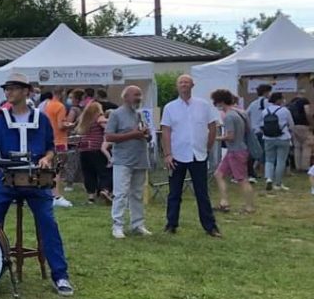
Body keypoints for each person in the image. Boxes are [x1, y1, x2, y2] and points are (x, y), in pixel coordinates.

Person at [0, 73, 75, 296]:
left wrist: (46, 158)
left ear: (26, 91)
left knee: (48, 223)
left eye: (13, 88)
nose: (8, 92)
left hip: (37, 182)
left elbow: (50, 147)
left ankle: (60, 276)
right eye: (6, 89)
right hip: (7, 181)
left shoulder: (41, 119)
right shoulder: (0, 120)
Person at [160, 74, 221, 236]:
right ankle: (171, 224)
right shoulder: (170, 107)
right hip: (177, 155)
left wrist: (208, 147)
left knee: (202, 193)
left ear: (192, 85)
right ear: (177, 86)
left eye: (186, 82)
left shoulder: (203, 105)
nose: (184, 85)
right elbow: (166, 131)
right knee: (174, 192)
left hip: (198, 154)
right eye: (181, 82)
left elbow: (212, 126)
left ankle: (210, 226)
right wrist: (167, 154)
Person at [104, 85, 152, 238]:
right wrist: (132, 134)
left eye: (140, 95)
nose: (139, 98)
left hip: (140, 158)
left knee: (137, 194)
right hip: (123, 160)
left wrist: (147, 134)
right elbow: (109, 136)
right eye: (136, 95)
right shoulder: (116, 114)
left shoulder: (140, 114)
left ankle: (138, 224)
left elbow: (147, 136)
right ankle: (117, 225)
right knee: (121, 193)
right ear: (125, 97)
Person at [211, 89, 255, 214]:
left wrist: (215, 138)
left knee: (242, 180)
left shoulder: (229, 116)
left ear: (220, 102)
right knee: (218, 174)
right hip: (236, 149)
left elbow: (230, 136)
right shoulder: (239, 113)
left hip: (236, 151)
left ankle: (249, 207)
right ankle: (224, 202)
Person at [75, 101, 113, 204]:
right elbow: (107, 127)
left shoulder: (84, 120)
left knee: (89, 173)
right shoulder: (99, 117)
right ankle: (105, 190)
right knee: (105, 171)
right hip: (96, 148)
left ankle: (91, 196)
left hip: (84, 149)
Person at [41, 88, 73, 208]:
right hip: (59, 140)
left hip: (49, 139)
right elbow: (60, 125)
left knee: (50, 169)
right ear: (62, 93)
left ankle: (51, 194)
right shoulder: (60, 106)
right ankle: (57, 196)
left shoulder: (47, 105)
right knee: (57, 170)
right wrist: (70, 125)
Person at [261, 92, 294, 191]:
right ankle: (278, 183)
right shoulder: (285, 110)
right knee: (281, 160)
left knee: (269, 160)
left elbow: (262, 125)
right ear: (279, 100)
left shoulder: (265, 111)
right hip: (283, 137)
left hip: (268, 138)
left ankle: (268, 178)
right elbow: (291, 125)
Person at [246, 83, 272, 181]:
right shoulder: (268, 103)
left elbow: (246, 114)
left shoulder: (253, 103)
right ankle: (263, 171)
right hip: (264, 130)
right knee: (264, 152)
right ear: (266, 92)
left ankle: (251, 171)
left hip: (253, 130)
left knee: (253, 152)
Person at [287, 93, 312, 172]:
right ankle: (305, 167)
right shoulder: (304, 101)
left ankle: (298, 167)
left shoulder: (291, 103)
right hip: (304, 126)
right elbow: (308, 113)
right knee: (307, 146)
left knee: (297, 147)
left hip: (294, 126)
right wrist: (311, 123)